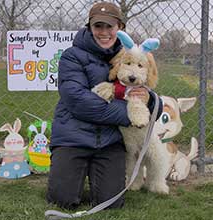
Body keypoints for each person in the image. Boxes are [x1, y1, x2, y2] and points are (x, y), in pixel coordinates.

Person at [47, 1, 162, 209]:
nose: (104, 32)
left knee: (112, 203)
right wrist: (130, 113)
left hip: (110, 141)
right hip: (73, 137)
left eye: (110, 26)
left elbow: (149, 97)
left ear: (120, 28)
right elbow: (79, 102)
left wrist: (149, 100)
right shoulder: (71, 57)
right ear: (89, 28)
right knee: (62, 199)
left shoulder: (130, 55)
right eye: (98, 26)